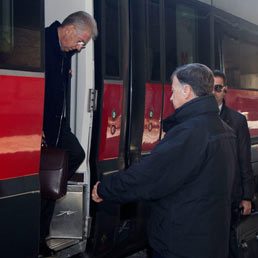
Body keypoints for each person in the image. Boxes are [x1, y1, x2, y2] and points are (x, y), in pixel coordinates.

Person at [92, 63, 237, 258]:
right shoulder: (223, 130)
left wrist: (105, 188)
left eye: (174, 90)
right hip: (211, 241)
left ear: (186, 91)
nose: (170, 96)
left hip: (181, 244)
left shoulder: (189, 133)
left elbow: (149, 177)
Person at [40, 11, 98, 257]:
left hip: (58, 123)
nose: (81, 48)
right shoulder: (41, 44)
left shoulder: (67, 51)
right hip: (40, 125)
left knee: (75, 155)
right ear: (69, 29)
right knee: (45, 183)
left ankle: (47, 212)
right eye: (81, 42)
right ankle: (39, 237)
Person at [213, 70, 254, 257]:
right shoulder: (198, 119)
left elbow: (244, 160)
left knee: (228, 245)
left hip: (230, 195)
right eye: (210, 88)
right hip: (207, 197)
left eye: (218, 88)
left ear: (225, 91)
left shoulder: (237, 121)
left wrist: (247, 197)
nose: (214, 92)